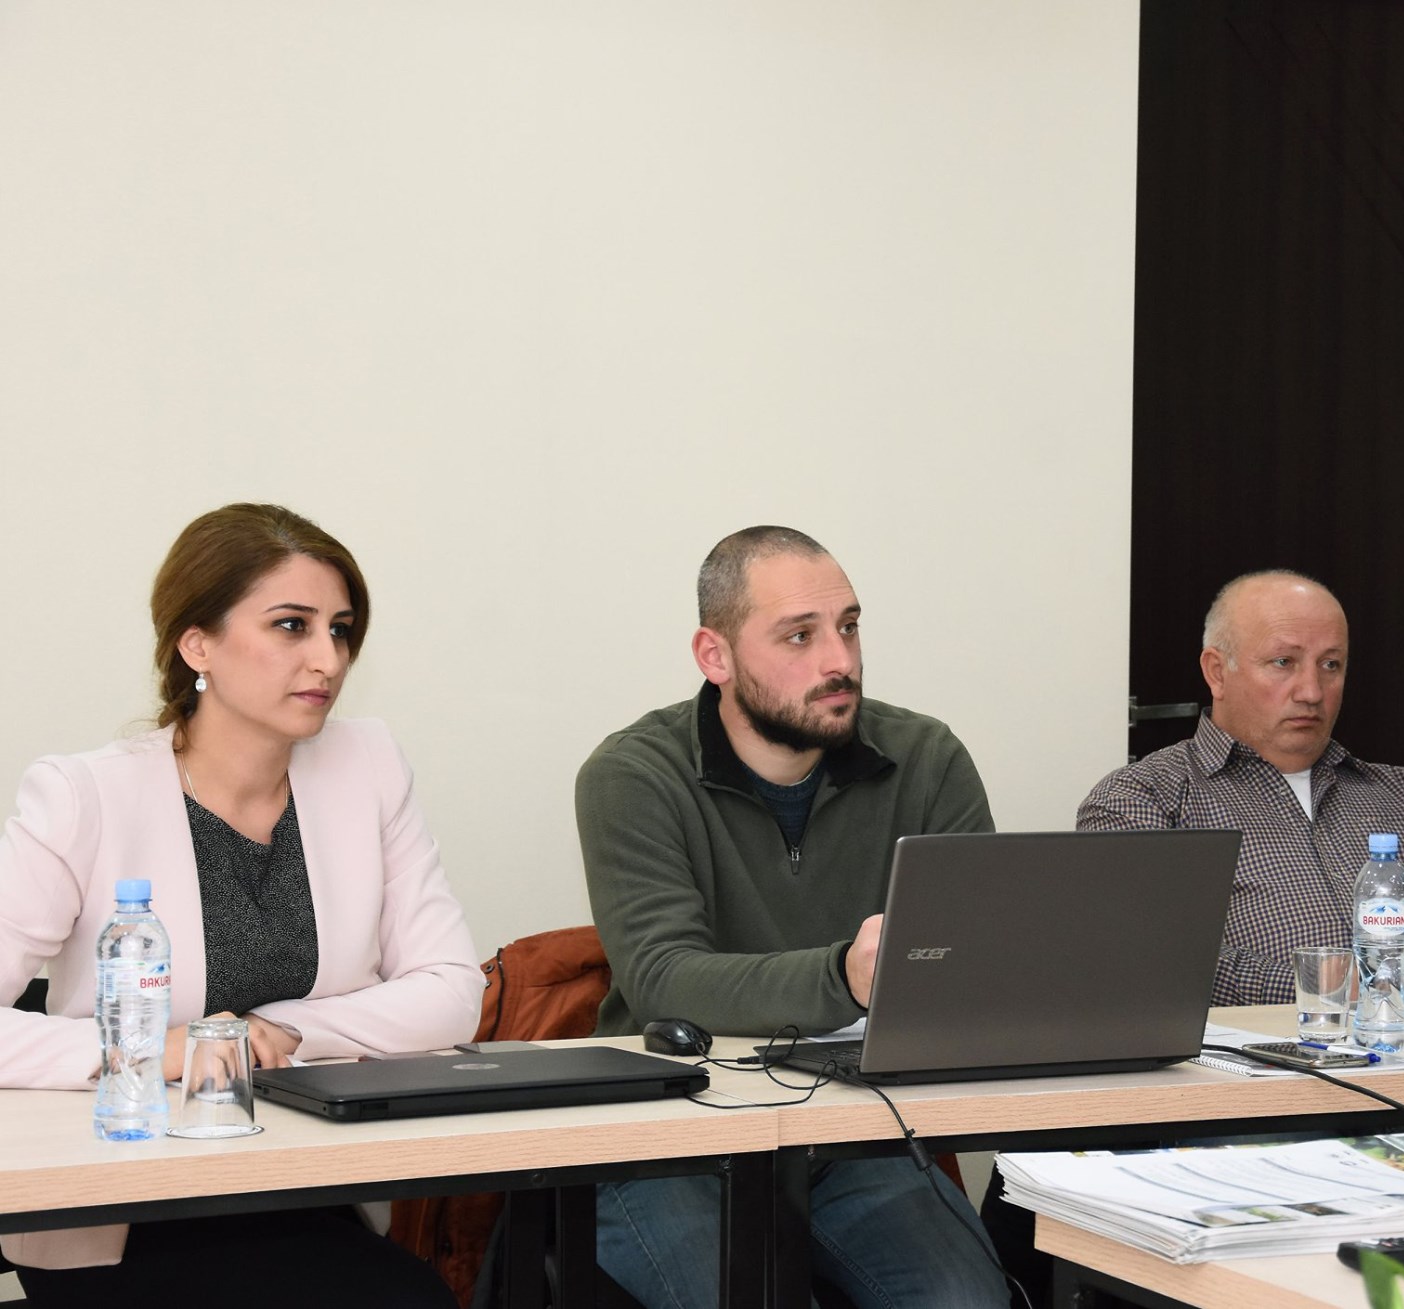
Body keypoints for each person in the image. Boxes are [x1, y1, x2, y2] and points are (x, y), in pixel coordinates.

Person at [0, 503, 481, 1304]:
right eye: (292, 626)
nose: (327, 658)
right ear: (198, 645)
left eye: (340, 629)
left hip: (303, 1185)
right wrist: (154, 1051)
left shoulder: (366, 763)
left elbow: (452, 990)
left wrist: (278, 1031)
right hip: (124, 1205)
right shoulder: (84, 794)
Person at [576, 525, 1007, 1309]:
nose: (840, 659)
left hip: (852, 1129)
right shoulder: (633, 773)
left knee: (965, 1299)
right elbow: (664, 977)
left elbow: (979, 957)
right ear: (715, 655)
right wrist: (844, 975)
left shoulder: (926, 757)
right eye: (800, 636)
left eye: (849, 626)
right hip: (669, 1137)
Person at [1077, 570, 1404, 1005]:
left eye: (1330, 665)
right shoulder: (1142, 798)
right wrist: (1323, 983)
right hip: (1259, 1055)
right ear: (1217, 672)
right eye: (1284, 662)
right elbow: (1139, 956)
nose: (1312, 692)